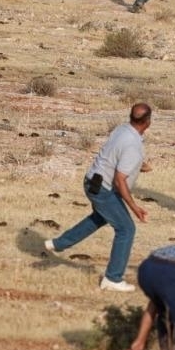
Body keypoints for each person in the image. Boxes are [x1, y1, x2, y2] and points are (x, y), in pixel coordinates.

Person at [45, 104, 152, 291]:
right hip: (103, 188)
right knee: (126, 229)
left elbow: (116, 156)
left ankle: (58, 243)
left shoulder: (122, 129)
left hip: (91, 181)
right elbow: (120, 180)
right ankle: (113, 278)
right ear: (148, 122)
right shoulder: (133, 145)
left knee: (100, 218)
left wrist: (138, 165)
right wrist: (135, 208)